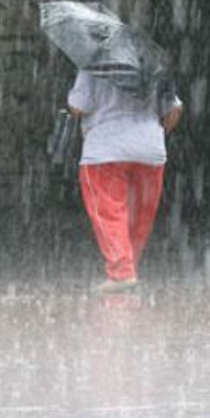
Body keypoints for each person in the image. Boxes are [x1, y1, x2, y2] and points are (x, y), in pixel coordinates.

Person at [68, 60, 182, 293]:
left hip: (105, 150)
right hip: (150, 151)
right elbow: (174, 110)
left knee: (109, 211)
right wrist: (152, 132)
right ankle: (130, 266)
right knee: (140, 214)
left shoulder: (94, 64)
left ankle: (121, 272)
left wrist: (71, 99)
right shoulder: (153, 66)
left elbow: (79, 108)